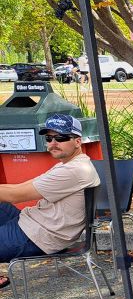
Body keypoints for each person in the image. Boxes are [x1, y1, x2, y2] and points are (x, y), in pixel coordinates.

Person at [0, 114, 101, 287]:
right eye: (49, 138)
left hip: (38, 236)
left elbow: (15, 195)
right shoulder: (69, 164)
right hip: (33, 224)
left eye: (60, 138)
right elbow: (20, 187)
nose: (53, 143)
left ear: (78, 141)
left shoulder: (73, 171)